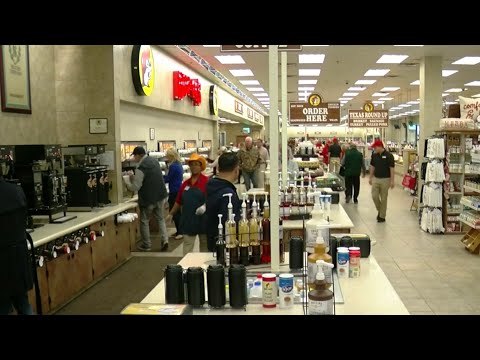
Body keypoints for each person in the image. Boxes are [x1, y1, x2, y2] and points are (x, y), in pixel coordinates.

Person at [0, 175, 34, 315]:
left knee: (3, 306)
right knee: (23, 303)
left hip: (2, 260)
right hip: (19, 257)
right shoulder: (16, 190)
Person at [124, 147, 169, 252]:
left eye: (134, 156)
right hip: (161, 195)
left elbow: (135, 187)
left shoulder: (141, 167)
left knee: (144, 220)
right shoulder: (155, 161)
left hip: (148, 198)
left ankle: (147, 245)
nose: (134, 158)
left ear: (138, 155)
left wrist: (127, 182)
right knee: (160, 219)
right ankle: (165, 240)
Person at [167, 153, 209, 255]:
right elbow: (178, 201)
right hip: (188, 219)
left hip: (203, 220)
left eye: (196, 164)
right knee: (187, 248)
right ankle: (187, 269)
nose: (194, 167)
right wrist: (171, 214)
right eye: (192, 164)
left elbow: (212, 198)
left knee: (205, 246)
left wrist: (205, 206)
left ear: (201, 166)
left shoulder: (207, 181)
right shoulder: (185, 184)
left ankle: (204, 268)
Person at [206, 152, 241, 252]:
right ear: (236, 170)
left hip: (212, 241)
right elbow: (229, 225)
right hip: (225, 248)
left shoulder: (211, 186)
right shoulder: (228, 195)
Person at [369, 140, 395, 223]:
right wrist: (370, 177)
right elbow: (372, 166)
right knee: (374, 196)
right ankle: (380, 211)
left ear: (380, 146)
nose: (374, 148)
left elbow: (392, 168)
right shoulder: (374, 155)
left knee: (384, 198)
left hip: (385, 179)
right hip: (376, 179)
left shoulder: (389, 156)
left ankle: (382, 216)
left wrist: (392, 180)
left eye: (375, 147)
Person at [164, 148, 184, 240]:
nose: (166, 158)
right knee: (178, 212)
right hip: (179, 189)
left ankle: (180, 232)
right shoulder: (179, 164)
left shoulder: (173, 166)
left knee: (174, 212)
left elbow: (168, 178)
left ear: (171, 156)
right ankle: (179, 230)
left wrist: (160, 177)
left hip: (174, 191)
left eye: (167, 156)